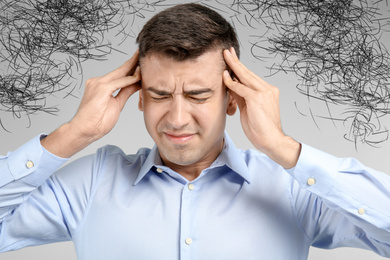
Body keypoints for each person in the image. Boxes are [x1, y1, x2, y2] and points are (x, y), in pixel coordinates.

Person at [1, 3, 390, 259]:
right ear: (138, 96)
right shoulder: (89, 184)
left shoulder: (290, 186)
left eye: (198, 95)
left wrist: (281, 147)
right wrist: (72, 136)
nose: (177, 118)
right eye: (159, 94)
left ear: (233, 99)